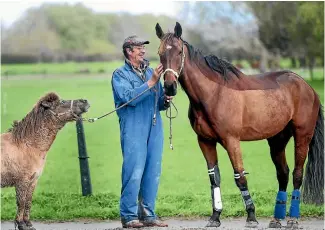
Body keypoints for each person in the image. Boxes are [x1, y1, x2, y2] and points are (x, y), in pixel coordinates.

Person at [111, 35, 171, 228]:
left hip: (154, 129)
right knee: (133, 172)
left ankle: (148, 215)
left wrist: (166, 100)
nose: (143, 51)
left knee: (152, 172)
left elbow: (159, 102)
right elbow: (128, 98)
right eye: (139, 48)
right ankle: (129, 217)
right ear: (129, 51)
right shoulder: (119, 75)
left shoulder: (150, 72)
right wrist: (151, 83)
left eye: (143, 48)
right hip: (133, 129)